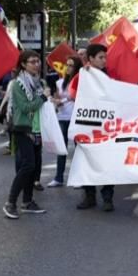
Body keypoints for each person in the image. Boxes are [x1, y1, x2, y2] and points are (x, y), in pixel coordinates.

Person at [2, 51, 48, 219]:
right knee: (27, 165)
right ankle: (10, 203)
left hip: (37, 128)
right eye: (32, 62)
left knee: (33, 166)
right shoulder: (17, 84)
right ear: (23, 64)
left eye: (38, 61)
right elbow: (25, 107)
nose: (37, 64)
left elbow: (42, 106)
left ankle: (27, 201)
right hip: (23, 128)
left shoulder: (38, 82)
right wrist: (43, 98)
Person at [76, 44, 117, 211]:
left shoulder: (110, 76)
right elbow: (72, 95)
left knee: (107, 162)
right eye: (100, 57)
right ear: (90, 59)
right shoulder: (82, 76)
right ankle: (89, 196)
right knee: (87, 161)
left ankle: (108, 198)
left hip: (106, 127)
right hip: (86, 126)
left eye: (105, 57)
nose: (104, 61)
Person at [48, 56, 82, 187]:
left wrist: (62, 101)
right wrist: (55, 101)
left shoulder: (80, 82)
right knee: (61, 149)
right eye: (67, 64)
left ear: (77, 67)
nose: (68, 68)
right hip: (62, 118)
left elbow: (77, 98)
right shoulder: (59, 82)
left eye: (71, 65)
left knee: (79, 149)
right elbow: (56, 98)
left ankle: (78, 179)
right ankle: (58, 177)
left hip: (76, 118)